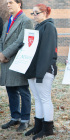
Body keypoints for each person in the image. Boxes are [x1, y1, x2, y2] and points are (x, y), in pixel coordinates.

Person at [24, 4, 57, 140]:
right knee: (37, 98)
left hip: (43, 69)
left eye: (37, 13)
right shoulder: (37, 27)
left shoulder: (48, 27)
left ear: (45, 13)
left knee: (44, 99)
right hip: (34, 68)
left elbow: (46, 51)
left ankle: (48, 128)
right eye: (33, 13)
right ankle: (39, 125)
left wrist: (40, 72)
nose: (34, 16)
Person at [0, 0, 33, 132]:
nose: (8, 5)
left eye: (11, 2)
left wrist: (5, 54)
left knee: (23, 91)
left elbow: (21, 41)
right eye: (7, 2)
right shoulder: (8, 21)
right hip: (6, 61)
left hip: (18, 61)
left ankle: (25, 120)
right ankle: (15, 117)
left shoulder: (26, 21)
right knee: (11, 90)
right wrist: (1, 54)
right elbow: (2, 39)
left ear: (19, 4)